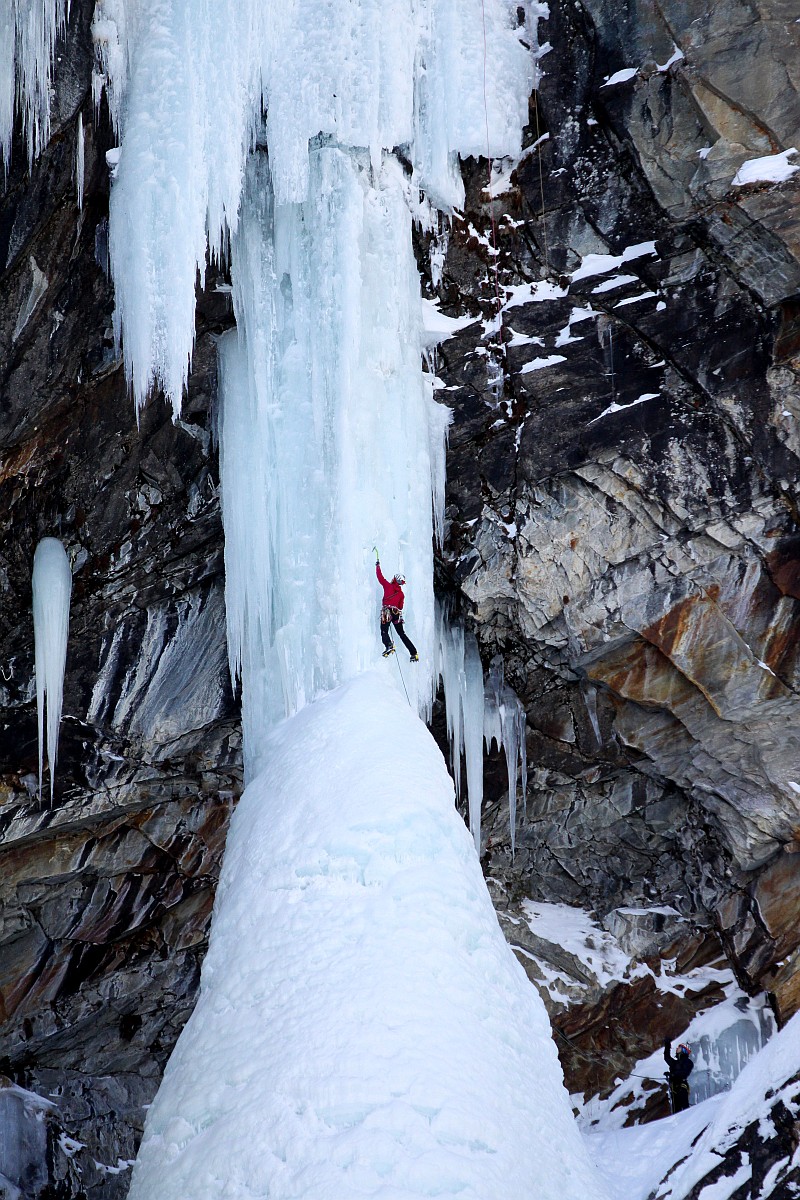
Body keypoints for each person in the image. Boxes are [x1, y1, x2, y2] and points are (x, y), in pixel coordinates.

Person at [374, 555, 418, 661]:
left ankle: (389, 645)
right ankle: (414, 653)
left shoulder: (388, 586)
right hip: (396, 614)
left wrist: (377, 566)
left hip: (387, 611)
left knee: (384, 631)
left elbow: (380, 577)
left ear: (394, 579)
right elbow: (400, 606)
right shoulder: (401, 594)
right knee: (402, 634)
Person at [664, 1039, 693, 1112]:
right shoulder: (675, 1063)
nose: (677, 1048)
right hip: (674, 1088)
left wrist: (672, 1074)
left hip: (682, 1086)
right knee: (676, 1111)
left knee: (684, 1109)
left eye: (679, 1047)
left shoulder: (688, 1062)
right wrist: (667, 1045)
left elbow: (684, 1072)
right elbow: (667, 1058)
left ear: (684, 1050)